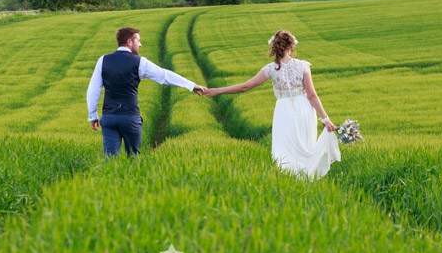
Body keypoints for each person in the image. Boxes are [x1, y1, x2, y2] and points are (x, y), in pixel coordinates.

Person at [206, 29, 341, 180]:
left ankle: (289, 181)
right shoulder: (303, 66)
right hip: (304, 109)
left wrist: (217, 90)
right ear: (291, 46)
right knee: (306, 146)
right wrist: (325, 119)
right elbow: (312, 95)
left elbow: (245, 87)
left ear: (274, 47)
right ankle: (306, 180)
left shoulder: (270, 69)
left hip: (284, 111)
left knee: (284, 150)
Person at [87, 26, 206, 157]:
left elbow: (93, 89)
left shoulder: (103, 60)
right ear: (129, 42)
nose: (140, 44)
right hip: (130, 117)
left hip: (109, 117)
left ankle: (110, 177)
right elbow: (164, 75)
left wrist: (93, 116)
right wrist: (191, 85)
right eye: (138, 41)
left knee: (110, 159)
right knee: (134, 159)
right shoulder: (139, 62)